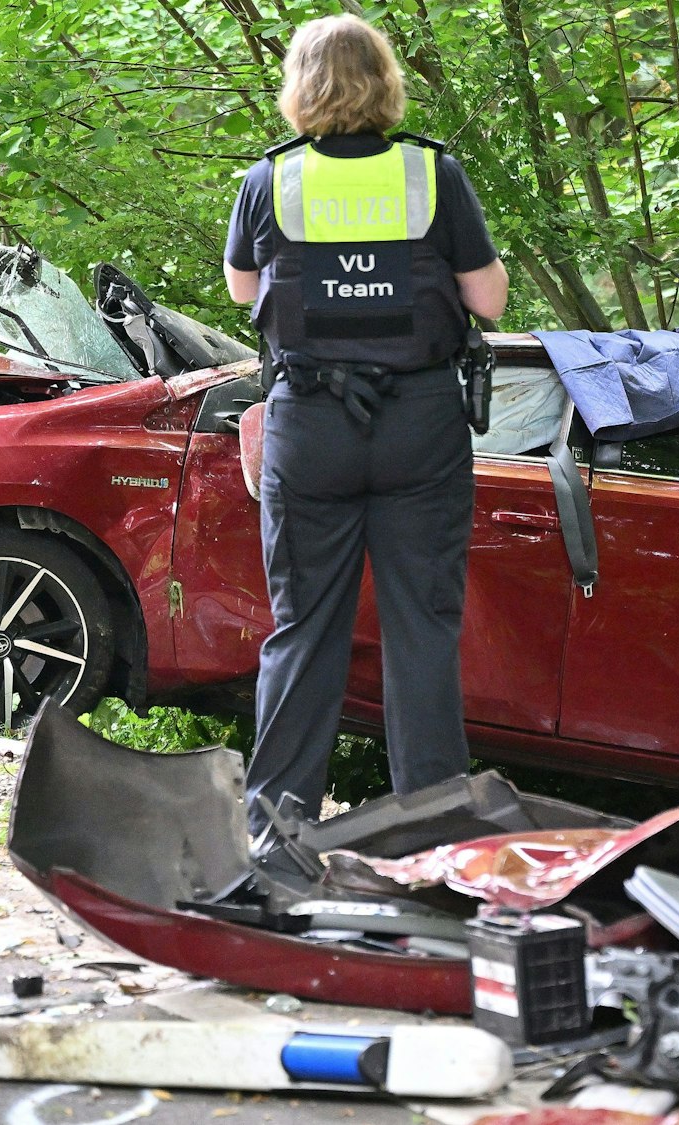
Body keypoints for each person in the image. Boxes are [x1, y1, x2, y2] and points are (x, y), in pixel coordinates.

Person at [223, 14, 509, 838]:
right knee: (422, 627)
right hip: (419, 420)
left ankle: (278, 830)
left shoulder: (270, 181)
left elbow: (246, 293)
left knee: (304, 625)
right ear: (386, 81)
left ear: (299, 89)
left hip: (311, 425)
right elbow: (486, 301)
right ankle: (436, 834)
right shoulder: (433, 174)